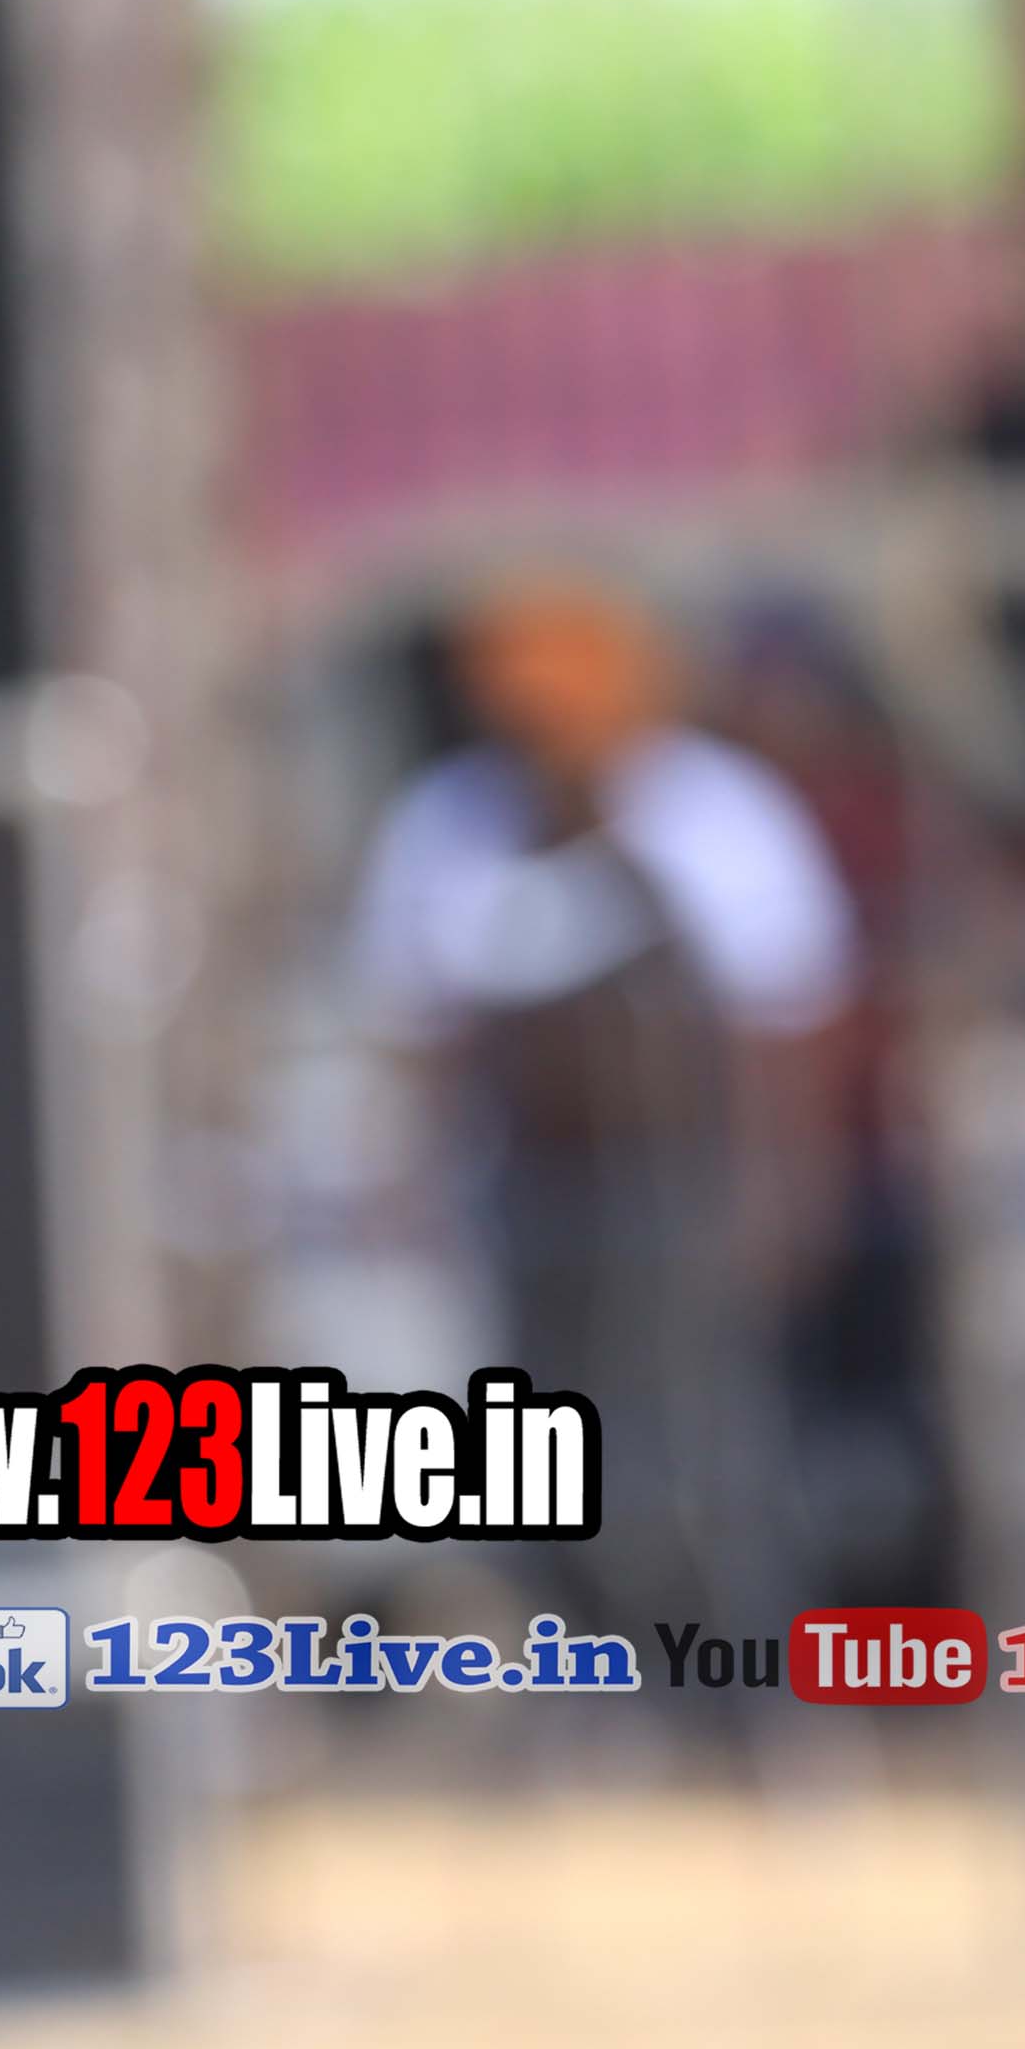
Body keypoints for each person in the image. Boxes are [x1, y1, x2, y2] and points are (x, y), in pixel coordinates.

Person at [351, 568, 855, 1645]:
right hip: (527, 1190)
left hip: (685, 1188)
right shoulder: (449, 821)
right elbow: (416, 1031)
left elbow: (787, 1025)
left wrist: (785, 1190)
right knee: (538, 1443)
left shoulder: (716, 812)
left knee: (702, 1438)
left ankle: (728, 1670)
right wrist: (419, 1193)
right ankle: (579, 1663)